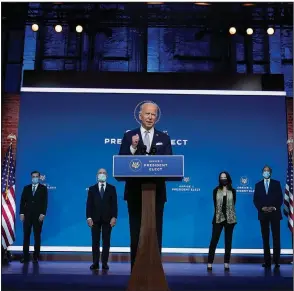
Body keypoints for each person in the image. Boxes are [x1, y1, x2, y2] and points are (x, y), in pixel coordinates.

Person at [118, 101, 172, 270]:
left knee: (156, 234)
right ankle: (136, 271)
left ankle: (155, 270)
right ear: (140, 116)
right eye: (147, 114)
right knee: (136, 233)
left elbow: (170, 164)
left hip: (156, 193)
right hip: (135, 192)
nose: (150, 117)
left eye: (153, 114)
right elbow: (121, 162)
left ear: (157, 117)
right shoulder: (129, 136)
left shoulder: (164, 138)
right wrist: (133, 148)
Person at [86, 168, 118, 270]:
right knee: (95, 242)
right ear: (97, 175)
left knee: (106, 242)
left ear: (107, 176)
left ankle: (104, 263)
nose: (102, 174)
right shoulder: (92, 189)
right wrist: (89, 217)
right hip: (94, 219)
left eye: (104, 173)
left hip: (107, 220)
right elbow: (89, 205)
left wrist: (114, 217)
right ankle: (95, 263)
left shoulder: (112, 188)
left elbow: (114, 205)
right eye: (100, 173)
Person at [253, 165, 283, 269]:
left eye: (268, 171)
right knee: (265, 238)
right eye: (264, 171)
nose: (266, 172)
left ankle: (277, 261)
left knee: (276, 237)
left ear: (270, 172)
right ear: (262, 173)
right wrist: (262, 208)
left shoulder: (276, 183)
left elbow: (280, 198)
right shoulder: (258, 185)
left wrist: (274, 207)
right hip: (263, 214)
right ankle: (267, 262)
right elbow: (255, 200)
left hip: (275, 213)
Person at [207, 171, 237, 271]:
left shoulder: (233, 191)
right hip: (218, 218)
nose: (223, 179)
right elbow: (215, 205)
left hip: (230, 219)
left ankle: (226, 263)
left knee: (228, 242)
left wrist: (228, 214)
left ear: (228, 178)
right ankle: (210, 262)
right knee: (214, 241)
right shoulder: (215, 190)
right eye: (221, 177)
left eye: (225, 177)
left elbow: (233, 204)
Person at [19, 171, 48, 263]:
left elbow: (45, 202)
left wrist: (43, 214)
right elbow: (22, 201)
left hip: (38, 216)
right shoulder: (26, 188)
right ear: (31, 177)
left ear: (39, 177)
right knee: (26, 236)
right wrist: (22, 213)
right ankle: (25, 256)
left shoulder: (43, 188)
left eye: (36, 176)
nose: (34, 178)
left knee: (37, 236)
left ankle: (36, 256)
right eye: (33, 176)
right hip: (27, 216)